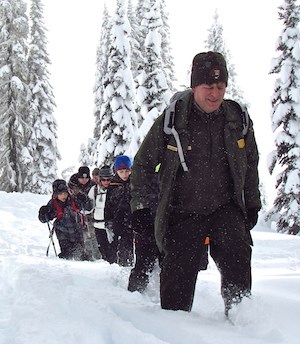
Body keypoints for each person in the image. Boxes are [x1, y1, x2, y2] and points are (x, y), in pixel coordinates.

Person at [130, 51, 261, 315]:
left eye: (221, 87)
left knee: (238, 260)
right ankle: (175, 330)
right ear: (194, 86)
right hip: (183, 211)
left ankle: (242, 322)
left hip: (226, 208)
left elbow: (250, 164)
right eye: (208, 87)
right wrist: (142, 207)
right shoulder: (173, 120)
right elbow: (143, 164)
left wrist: (252, 203)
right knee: (176, 283)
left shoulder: (237, 120)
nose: (215, 93)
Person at [38, 179, 93, 260]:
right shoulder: (53, 204)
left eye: (65, 193)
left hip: (77, 230)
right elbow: (44, 219)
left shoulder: (74, 199)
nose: (63, 196)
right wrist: (43, 214)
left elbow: (88, 207)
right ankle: (66, 264)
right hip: (62, 232)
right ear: (56, 194)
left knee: (80, 252)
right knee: (67, 253)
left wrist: (85, 199)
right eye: (60, 194)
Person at [128, 167, 162, 293]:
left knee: (169, 266)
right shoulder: (140, 176)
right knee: (143, 263)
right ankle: (135, 294)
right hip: (146, 224)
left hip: (166, 225)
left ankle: (168, 298)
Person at [105, 155, 134, 267]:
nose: (124, 174)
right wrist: (108, 224)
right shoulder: (112, 186)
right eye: (121, 171)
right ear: (117, 171)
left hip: (134, 221)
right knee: (121, 250)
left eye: (127, 171)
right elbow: (108, 207)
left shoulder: (135, 182)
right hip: (119, 223)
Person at [68, 166, 100, 260]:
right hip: (75, 215)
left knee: (91, 236)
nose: (84, 180)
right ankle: (80, 255)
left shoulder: (93, 186)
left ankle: (95, 256)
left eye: (86, 178)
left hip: (89, 215)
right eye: (82, 178)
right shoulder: (72, 185)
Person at [88, 165, 115, 263]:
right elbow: (88, 209)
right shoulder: (94, 190)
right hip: (98, 226)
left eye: (108, 179)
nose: (106, 182)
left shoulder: (115, 189)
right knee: (103, 252)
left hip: (112, 226)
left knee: (113, 252)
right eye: (104, 180)